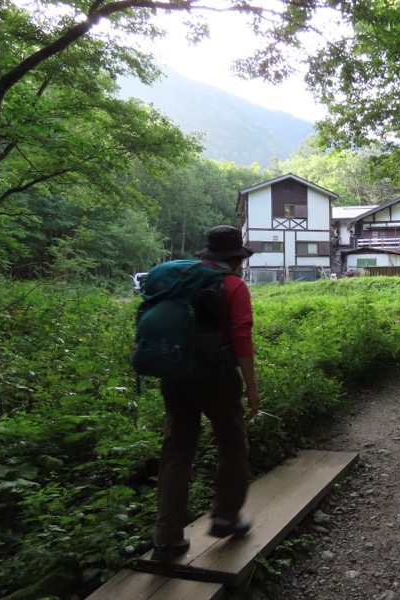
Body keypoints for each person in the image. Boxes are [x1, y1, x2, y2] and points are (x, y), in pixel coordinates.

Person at [151, 225, 261, 562]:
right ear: (236, 258)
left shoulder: (181, 280)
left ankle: (167, 538)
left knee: (176, 451)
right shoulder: (234, 285)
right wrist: (252, 387)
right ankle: (226, 517)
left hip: (174, 374)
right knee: (232, 444)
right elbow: (241, 335)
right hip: (217, 378)